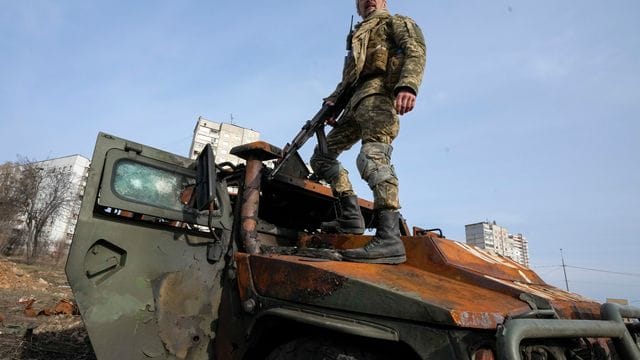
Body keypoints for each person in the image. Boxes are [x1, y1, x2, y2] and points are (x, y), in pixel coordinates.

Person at [310, 0, 426, 264]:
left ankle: (389, 239)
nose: (370, 1)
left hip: (380, 94)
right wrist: (333, 103)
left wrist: (407, 86)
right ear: (358, 7)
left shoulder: (394, 22)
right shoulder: (357, 35)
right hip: (354, 102)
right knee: (321, 158)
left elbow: (415, 50)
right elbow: (349, 77)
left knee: (372, 157)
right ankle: (351, 217)